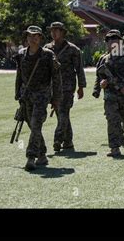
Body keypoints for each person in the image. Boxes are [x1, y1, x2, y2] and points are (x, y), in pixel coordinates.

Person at [14, 25, 63, 171]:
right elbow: (19, 76)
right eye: (29, 36)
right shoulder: (22, 54)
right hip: (27, 95)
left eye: (35, 36)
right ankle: (42, 154)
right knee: (32, 125)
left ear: (40, 38)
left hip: (42, 95)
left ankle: (31, 156)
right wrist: (17, 93)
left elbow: (56, 77)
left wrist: (56, 98)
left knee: (36, 124)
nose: (32, 38)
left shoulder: (48, 55)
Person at [94, 30, 124, 157]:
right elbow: (99, 76)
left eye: (115, 39)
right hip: (110, 96)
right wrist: (100, 86)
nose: (112, 41)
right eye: (109, 39)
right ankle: (114, 148)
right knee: (112, 121)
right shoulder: (103, 59)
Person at [44, 22, 86, 153]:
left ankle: (58, 139)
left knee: (63, 112)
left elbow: (79, 69)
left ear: (62, 32)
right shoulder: (47, 49)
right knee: (61, 114)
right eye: (52, 30)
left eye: (57, 30)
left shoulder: (73, 49)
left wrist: (81, 86)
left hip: (68, 87)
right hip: (52, 87)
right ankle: (68, 142)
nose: (54, 33)